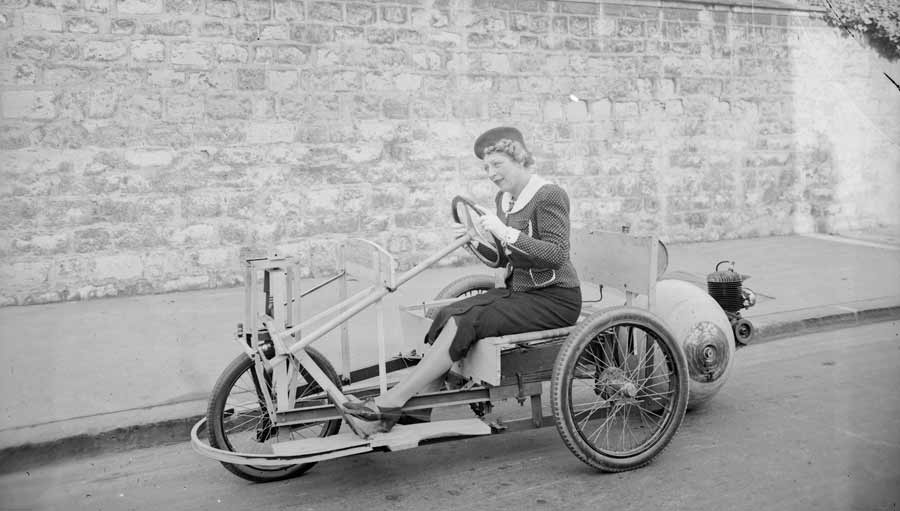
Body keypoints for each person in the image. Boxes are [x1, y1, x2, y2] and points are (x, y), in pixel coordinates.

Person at [341, 126, 582, 437]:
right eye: (486, 167)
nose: (491, 173)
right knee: (450, 313)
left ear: (520, 158)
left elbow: (556, 255)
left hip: (555, 298)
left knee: (468, 320)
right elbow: (502, 258)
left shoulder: (548, 195)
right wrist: (473, 240)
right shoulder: (505, 199)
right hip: (521, 294)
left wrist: (503, 230)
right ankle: (420, 408)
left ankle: (391, 403)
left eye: (497, 164)